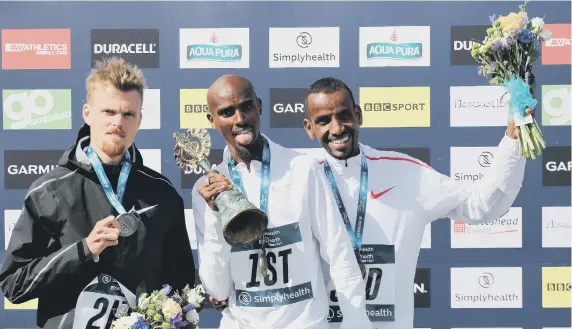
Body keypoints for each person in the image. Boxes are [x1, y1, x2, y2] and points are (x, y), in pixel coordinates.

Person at [300, 77, 528, 329]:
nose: (336, 128)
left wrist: (513, 140)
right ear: (310, 128)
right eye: (323, 121)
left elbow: (481, 206)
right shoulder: (300, 179)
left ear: (358, 115)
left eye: (343, 115)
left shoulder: (405, 173)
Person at [0, 57, 196, 329]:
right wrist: (83, 251)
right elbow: (13, 285)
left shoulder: (162, 193)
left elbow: (182, 288)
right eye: (108, 112)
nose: (119, 122)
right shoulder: (49, 191)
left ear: (139, 120)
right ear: (87, 114)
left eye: (128, 114)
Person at [192, 74, 372, 329]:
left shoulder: (303, 169)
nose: (240, 119)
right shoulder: (206, 191)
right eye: (226, 112)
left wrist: (356, 323)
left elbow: (340, 254)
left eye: (246, 107)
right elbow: (217, 289)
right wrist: (214, 214)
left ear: (260, 106)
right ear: (212, 121)